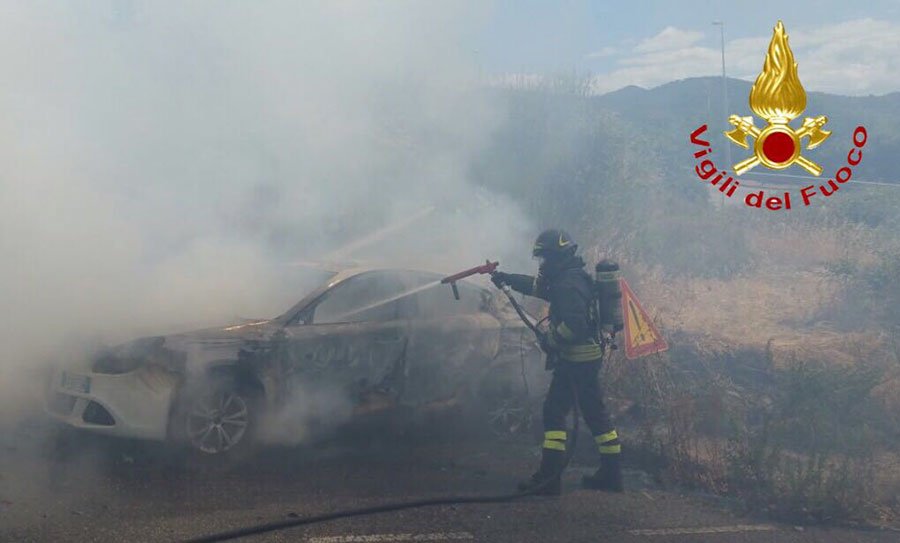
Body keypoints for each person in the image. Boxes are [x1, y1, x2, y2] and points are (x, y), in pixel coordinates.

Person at [491, 229, 623, 495]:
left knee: (553, 413)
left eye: (546, 259)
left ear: (559, 257)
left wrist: (552, 341)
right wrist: (507, 279)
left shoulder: (567, 284)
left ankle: (549, 480)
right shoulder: (570, 278)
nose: (543, 265)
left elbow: (576, 325)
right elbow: (538, 288)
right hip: (586, 360)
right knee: (596, 415)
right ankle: (611, 475)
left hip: (576, 361)